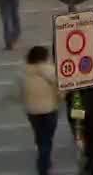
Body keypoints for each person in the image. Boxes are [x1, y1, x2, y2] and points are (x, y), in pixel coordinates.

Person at [20, 45, 60, 175]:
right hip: (49, 109)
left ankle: (44, 159)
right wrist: (61, 98)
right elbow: (61, 90)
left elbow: (16, 92)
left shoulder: (23, 72)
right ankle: (43, 164)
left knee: (39, 136)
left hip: (32, 111)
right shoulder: (51, 71)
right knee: (47, 139)